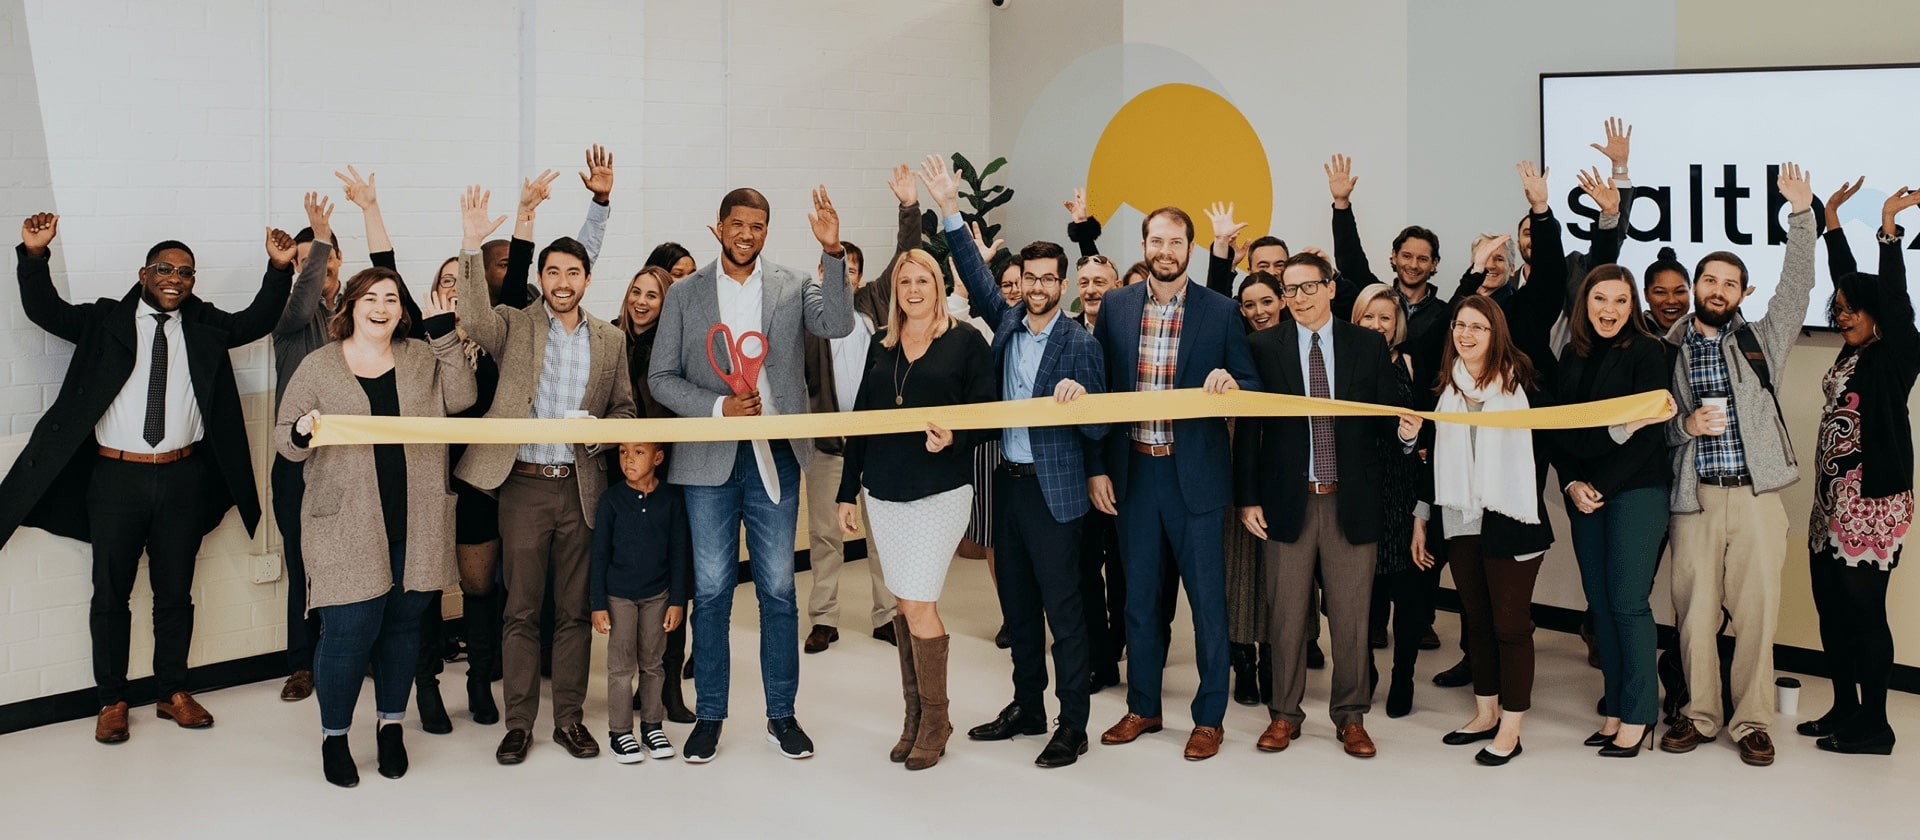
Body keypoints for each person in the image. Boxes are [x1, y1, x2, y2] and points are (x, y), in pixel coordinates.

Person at [3, 213, 293, 744]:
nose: (174, 278)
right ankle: (112, 699)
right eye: (164, 268)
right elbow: (44, 310)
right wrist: (35, 255)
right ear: (144, 274)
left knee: (174, 593)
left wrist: (278, 270)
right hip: (115, 479)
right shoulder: (104, 321)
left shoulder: (205, 325)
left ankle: (172, 692)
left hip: (182, 478)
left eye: (185, 272)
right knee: (110, 594)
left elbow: (255, 321)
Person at [647, 185, 854, 763]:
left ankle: (781, 715)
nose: (746, 234)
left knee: (779, 590)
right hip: (707, 459)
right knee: (713, 592)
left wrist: (833, 253)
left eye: (757, 226)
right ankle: (709, 716)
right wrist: (719, 408)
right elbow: (661, 377)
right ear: (720, 227)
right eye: (737, 224)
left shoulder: (793, 284)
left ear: (767, 231)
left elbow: (838, 324)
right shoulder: (685, 293)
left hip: (776, 456)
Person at [451, 185, 638, 765]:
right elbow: (471, 315)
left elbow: (626, 410)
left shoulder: (610, 339)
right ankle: (518, 723)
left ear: (587, 279)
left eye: (572, 272)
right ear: (542, 277)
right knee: (521, 611)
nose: (562, 281)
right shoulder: (515, 325)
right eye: (552, 271)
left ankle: (569, 720)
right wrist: (471, 242)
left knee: (574, 612)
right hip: (524, 484)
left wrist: (598, 434)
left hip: (582, 488)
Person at [932, 168, 1109, 769]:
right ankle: (1028, 707)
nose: (1036, 286)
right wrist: (949, 209)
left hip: (1055, 496)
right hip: (1007, 486)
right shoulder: (1007, 322)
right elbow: (977, 274)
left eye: (1047, 278)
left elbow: (1100, 429)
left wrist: (1081, 403)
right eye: (1029, 278)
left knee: (1065, 613)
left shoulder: (1081, 344)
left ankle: (1073, 724)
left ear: (1062, 283)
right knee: (1018, 609)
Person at [275, 259, 474, 787]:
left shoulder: (420, 357)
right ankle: (335, 737)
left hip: (417, 516)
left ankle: (391, 727)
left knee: (403, 628)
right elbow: (285, 441)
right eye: (371, 298)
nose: (382, 308)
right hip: (346, 522)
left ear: (402, 310)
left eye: (391, 299)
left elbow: (463, 397)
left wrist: (443, 332)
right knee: (348, 630)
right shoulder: (319, 366)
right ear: (350, 307)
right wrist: (300, 431)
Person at [1658, 163, 1816, 768]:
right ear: (1695, 286)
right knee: (1694, 617)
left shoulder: (1761, 340)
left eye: (1730, 283)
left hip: (1756, 497)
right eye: (1710, 280)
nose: (1719, 290)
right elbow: (1648, 429)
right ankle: (1699, 715)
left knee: (1757, 614)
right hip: (1693, 499)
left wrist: (1800, 215)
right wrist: (1685, 427)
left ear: (1742, 293)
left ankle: (1752, 721)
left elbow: (1796, 287)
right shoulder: (1664, 350)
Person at [1090, 205, 1260, 762]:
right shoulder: (1115, 306)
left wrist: (1232, 383)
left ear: (1191, 248)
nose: (1165, 251)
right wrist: (1097, 467)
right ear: (1144, 244)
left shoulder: (1220, 310)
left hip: (1197, 479)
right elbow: (1100, 389)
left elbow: (1251, 383)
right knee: (1138, 602)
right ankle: (1143, 706)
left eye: (1176, 242)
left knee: (1208, 605)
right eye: (1157, 241)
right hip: (1134, 473)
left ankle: (1209, 718)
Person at [1235, 252, 1420, 759]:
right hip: (1286, 502)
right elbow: (1249, 429)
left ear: (1331, 287)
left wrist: (1406, 435)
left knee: (1352, 618)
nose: (1298, 298)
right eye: (1289, 290)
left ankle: (1351, 716)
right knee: (1286, 617)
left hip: (1350, 502)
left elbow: (1384, 420)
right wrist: (1247, 498)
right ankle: (1284, 714)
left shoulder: (1366, 344)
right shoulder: (1262, 347)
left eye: (1308, 287)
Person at [836, 245, 996, 770]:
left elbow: (990, 415)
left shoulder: (965, 342)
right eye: (904, 282)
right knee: (905, 604)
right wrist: (846, 491)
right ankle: (915, 717)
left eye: (922, 279)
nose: (913, 289)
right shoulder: (881, 344)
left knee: (918, 603)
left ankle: (936, 719)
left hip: (939, 491)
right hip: (884, 493)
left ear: (938, 286)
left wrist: (955, 437)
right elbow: (861, 420)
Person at [1797, 182, 1918, 755]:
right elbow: (1848, 277)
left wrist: (1888, 229)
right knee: (1831, 605)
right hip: (1831, 501)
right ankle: (1845, 707)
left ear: (1878, 316)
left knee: (1865, 612)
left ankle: (1876, 725)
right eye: (1838, 309)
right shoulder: (1852, 348)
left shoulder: (1896, 354)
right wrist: (1831, 222)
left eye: (1852, 310)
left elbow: (1891, 295)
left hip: (1871, 502)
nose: (1843, 316)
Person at [1422, 296, 1552, 766]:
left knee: (1510, 628)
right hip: (1461, 521)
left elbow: (1555, 444)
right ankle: (1485, 714)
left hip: (1512, 521)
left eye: (1478, 327)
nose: (1466, 334)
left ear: (1496, 333)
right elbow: (1428, 454)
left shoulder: (1525, 385)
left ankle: (1511, 729)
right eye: (1460, 325)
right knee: (1476, 623)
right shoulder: (1445, 387)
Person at [1552, 265, 1676, 758]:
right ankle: (1615, 710)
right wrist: (1572, 483)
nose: (1609, 310)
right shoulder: (1571, 354)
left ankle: (1640, 713)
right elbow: (1560, 430)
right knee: (1600, 605)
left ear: (1633, 305)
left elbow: (1649, 434)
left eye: (1620, 300)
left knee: (1627, 602)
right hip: (1582, 492)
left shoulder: (1649, 352)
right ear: (1585, 303)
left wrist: (1598, 483)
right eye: (1600, 299)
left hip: (1636, 491)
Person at [271, 176, 383, 705]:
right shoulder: (289, 319)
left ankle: (357, 652)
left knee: (360, 557)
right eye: (307, 264)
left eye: (326, 260)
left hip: (354, 461)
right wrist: (316, 241)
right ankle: (302, 664)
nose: (318, 271)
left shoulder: (362, 319)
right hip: (297, 461)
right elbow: (300, 301)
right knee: (303, 563)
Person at [803, 164, 921, 655]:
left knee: (882, 535)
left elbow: (905, 256)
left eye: (852, 269)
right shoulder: (808, 315)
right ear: (823, 272)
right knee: (825, 535)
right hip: (828, 446)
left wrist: (909, 207)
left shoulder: (875, 302)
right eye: (838, 268)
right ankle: (824, 618)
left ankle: (887, 615)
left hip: (877, 444)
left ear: (861, 276)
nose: (845, 276)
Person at [1351, 285, 1432, 717]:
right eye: (1369, 316)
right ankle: (1363, 671)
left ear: (1398, 323)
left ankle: (1404, 676)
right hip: (1359, 489)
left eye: (1386, 318)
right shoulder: (1344, 360)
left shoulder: (1413, 363)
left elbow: (1429, 427)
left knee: (1410, 594)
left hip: (1404, 490)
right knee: (1360, 595)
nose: (1377, 325)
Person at [590, 441, 691, 763]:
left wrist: (677, 600)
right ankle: (620, 732)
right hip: (619, 596)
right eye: (623, 452)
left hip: (657, 596)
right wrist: (597, 604)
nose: (628, 459)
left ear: (658, 457)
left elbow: (678, 553)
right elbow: (599, 555)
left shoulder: (671, 500)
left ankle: (652, 726)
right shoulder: (611, 500)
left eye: (638, 452)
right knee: (621, 667)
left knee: (653, 663)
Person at [1227, 271, 1285, 706]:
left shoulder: (1298, 344)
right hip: (1236, 470)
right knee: (1238, 574)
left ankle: (1274, 665)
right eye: (1249, 304)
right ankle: (1244, 666)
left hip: (1286, 473)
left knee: (1282, 577)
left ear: (1282, 300)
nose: (1259, 311)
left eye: (1267, 301)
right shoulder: (1234, 348)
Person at [1642, 248, 1691, 334]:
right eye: (1660, 292)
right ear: (1646, 295)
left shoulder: (1707, 334)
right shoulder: (1627, 335)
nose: (1671, 301)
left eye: (1679, 292)